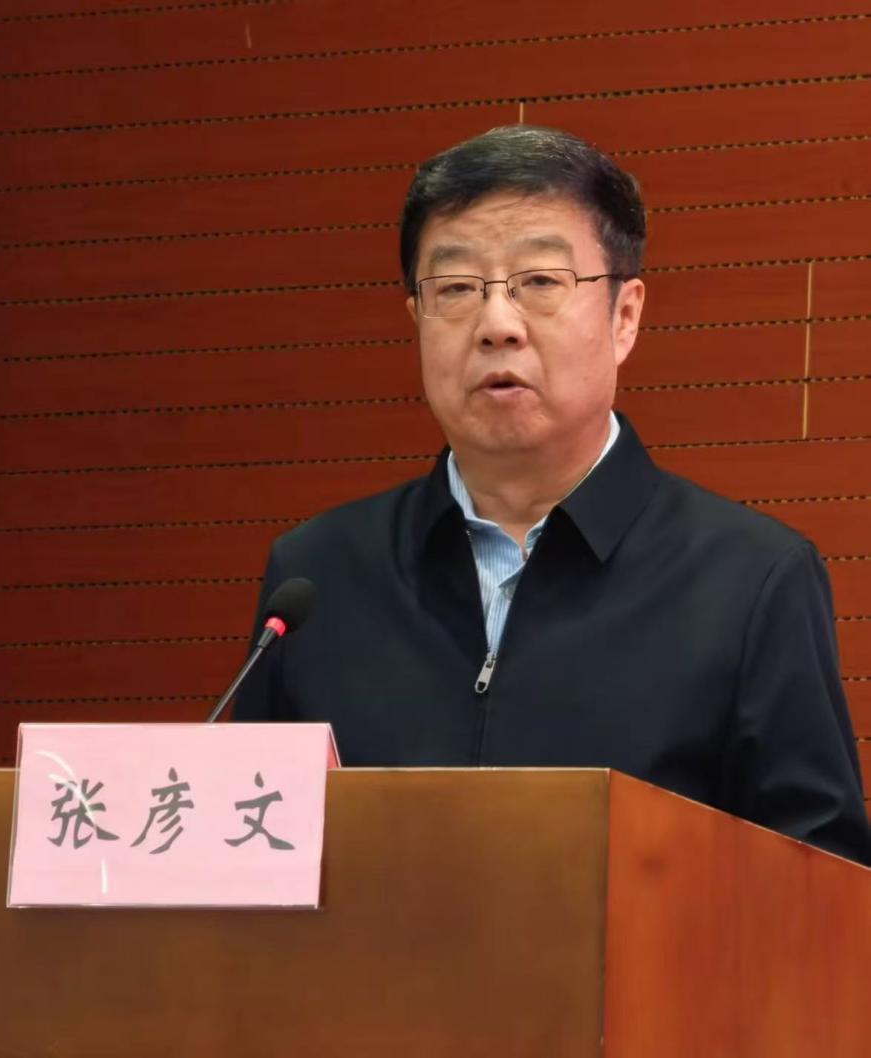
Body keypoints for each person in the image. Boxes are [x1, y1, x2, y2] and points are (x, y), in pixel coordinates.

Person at [234, 125, 870, 865]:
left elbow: (820, 886)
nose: (497, 325)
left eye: (540, 282)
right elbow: (249, 863)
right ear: (416, 320)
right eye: (456, 289)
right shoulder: (317, 578)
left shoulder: (749, 578)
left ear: (624, 316)